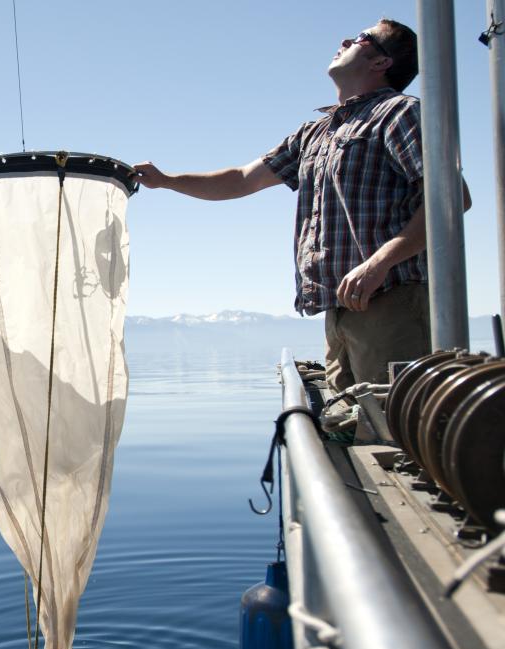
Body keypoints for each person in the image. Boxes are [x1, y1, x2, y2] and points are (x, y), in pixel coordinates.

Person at [134, 18, 469, 392]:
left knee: (398, 435)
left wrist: (378, 264)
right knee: (354, 433)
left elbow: (452, 199)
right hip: (338, 311)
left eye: (361, 38)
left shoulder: (399, 114)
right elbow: (243, 179)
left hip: (393, 304)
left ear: (381, 62)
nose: (344, 39)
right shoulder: (317, 133)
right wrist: (167, 181)